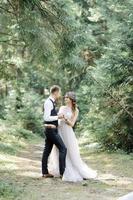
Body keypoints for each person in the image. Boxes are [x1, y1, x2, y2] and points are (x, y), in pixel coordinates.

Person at [48, 91, 97, 182]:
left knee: (70, 150)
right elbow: (57, 119)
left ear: (72, 99)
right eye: (65, 97)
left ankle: (72, 170)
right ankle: (60, 169)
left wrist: (65, 119)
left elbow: (72, 124)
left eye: (67, 97)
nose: (65, 99)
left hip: (68, 132)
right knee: (58, 150)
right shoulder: (62, 107)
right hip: (60, 130)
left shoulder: (75, 110)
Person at [42, 85, 67, 178]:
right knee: (63, 149)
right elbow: (46, 117)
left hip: (51, 129)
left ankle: (45, 172)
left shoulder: (51, 102)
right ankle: (63, 173)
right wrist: (58, 116)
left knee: (47, 151)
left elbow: (49, 115)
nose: (59, 94)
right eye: (59, 92)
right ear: (55, 92)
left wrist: (57, 115)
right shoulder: (48, 102)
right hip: (51, 130)